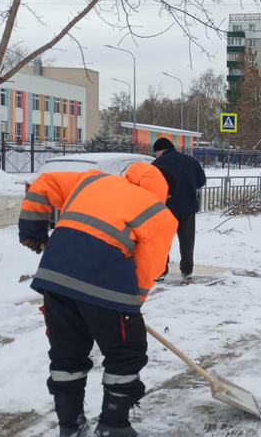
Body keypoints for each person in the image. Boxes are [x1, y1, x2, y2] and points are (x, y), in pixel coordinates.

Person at [18, 162, 178, 437]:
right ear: (165, 192)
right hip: (107, 283)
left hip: (55, 277)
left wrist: (33, 232)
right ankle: (113, 425)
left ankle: (70, 426)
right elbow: (149, 267)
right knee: (126, 354)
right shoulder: (159, 213)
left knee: (67, 355)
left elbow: (42, 184)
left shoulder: (91, 180)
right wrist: (130, 304)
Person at [151, 137, 206, 280]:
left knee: (163, 241)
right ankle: (187, 270)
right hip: (188, 207)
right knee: (187, 240)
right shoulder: (191, 161)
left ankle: (161, 271)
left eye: (156, 152)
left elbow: (150, 184)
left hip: (166, 208)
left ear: (161, 150)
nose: (156, 155)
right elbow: (201, 181)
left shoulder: (158, 164)